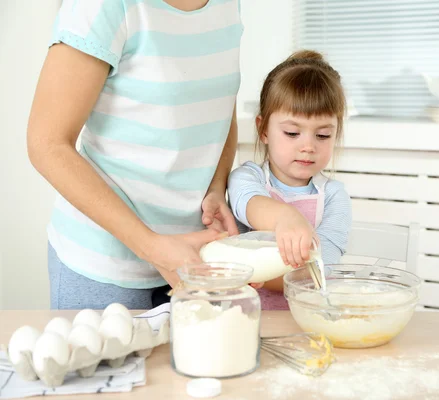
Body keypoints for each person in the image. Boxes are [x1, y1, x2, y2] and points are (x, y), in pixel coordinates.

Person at [27, 0, 243, 310]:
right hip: (104, 267)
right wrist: (153, 247)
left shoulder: (230, 5)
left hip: (194, 260)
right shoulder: (105, 6)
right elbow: (46, 144)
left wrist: (216, 187)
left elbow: (219, 105)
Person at [228, 50, 352, 310]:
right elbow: (249, 203)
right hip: (246, 318)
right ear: (263, 130)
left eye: (323, 136)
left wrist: (256, 274)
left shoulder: (333, 196)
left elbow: (320, 269)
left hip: (309, 318)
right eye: (292, 132)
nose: (308, 146)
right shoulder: (247, 178)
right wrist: (287, 217)